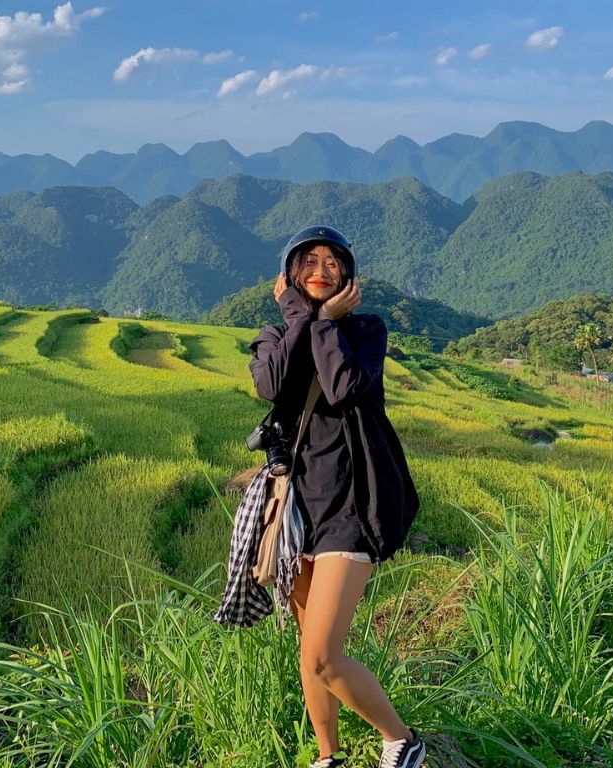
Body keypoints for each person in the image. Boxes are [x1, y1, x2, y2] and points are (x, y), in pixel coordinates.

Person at [248, 225, 426, 768]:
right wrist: (302, 319)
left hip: (354, 505)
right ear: (290, 275)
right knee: (308, 651)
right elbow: (270, 385)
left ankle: (401, 740)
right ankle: (330, 756)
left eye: (332, 261)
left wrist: (324, 324)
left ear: (348, 275)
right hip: (298, 509)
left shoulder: (367, 330)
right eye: (309, 261)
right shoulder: (273, 338)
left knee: (324, 653)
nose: (321, 269)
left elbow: (346, 386)